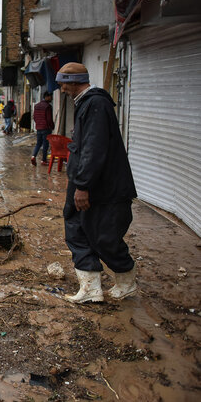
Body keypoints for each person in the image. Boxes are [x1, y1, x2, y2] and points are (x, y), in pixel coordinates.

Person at [56, 62, 138, 304]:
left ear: (74, 81)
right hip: (95, 185)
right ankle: (92, 289)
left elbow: (94, 149)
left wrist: (83, 185)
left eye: (63, 83)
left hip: (103, 188)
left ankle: (126, 283)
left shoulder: (95, 104)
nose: (61, 88)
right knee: (78, 228)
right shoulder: (88, 103)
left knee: (104, 235)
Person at [31, 91, 55, 166]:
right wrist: (52, 126)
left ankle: (33, 156)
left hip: (38, 128)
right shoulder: (48, 106)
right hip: (46, 128)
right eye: (50, 97)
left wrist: (38, 124)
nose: (51, 98)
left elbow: (34, 117)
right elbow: (49, 119)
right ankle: (44, 160)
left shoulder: (37, 106)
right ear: (46, 97)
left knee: (38, 143)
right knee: (45, 144)